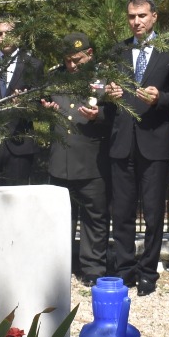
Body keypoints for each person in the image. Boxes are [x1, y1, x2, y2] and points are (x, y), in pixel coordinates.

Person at [105, 0, 169, 296]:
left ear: (154, 17)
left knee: (153, 213)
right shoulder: (118, 51)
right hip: (122, 142)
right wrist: (108, 94)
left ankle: (148, 272)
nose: (136, 21)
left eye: (141, 15)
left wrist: (160, 98)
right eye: (131, 16)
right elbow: (103, 90)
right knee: (122, 212)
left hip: (154, 142)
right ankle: (125, 270)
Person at [42, 33, 112, 284]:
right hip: (61, 159)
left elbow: (116, 114)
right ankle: (62, 265)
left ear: (89, 54)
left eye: (77, 60)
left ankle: (93, 269)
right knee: (62, 217)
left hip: (91, 158)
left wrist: (99, 115)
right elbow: (43, 103)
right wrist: (46, 110)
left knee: (95, 217)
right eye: (67, 60)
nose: (71, 65)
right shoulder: (54, 76)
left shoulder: (104, 78)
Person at [0, 20, 41, 187]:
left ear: (19, 36)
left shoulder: (33, 65)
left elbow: (40, 106)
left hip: (20, 144)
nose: (4, 37)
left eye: (9, 33)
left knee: (18, 198)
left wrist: (25, 104)